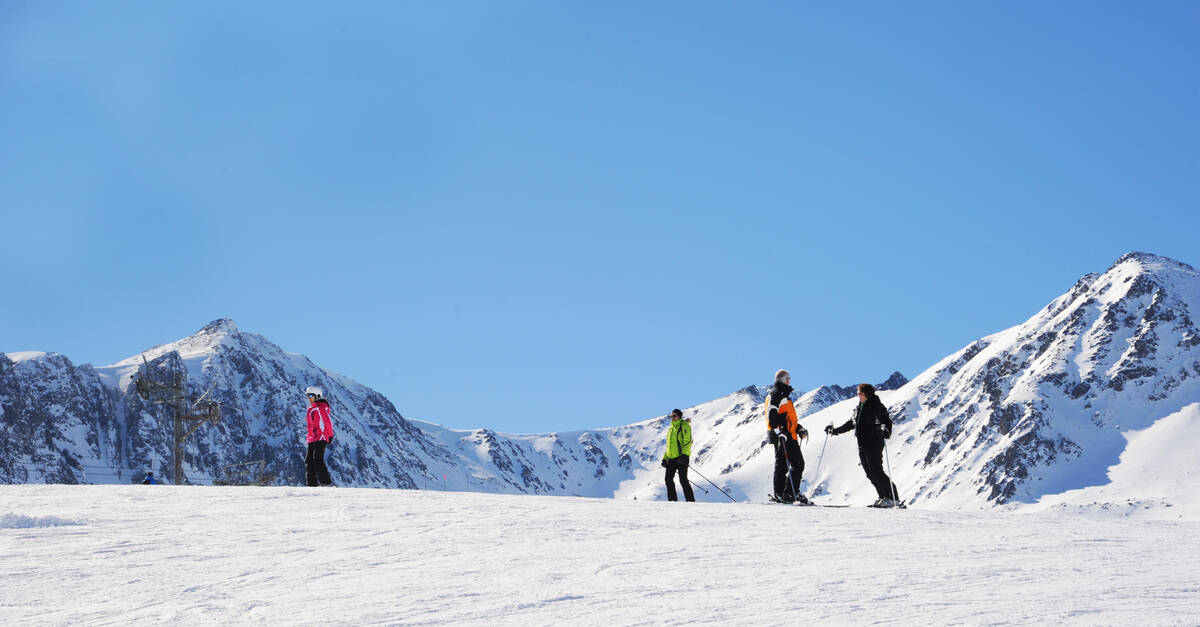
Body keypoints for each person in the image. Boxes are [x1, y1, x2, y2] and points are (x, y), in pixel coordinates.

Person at [826, 383, 900, 507]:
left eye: (859, 393)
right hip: (863, 444)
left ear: (866, 394)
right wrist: (835, 431)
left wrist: (886, 431)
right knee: (870, 473)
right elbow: (852, 423)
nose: (858, 395)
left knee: (876, 470)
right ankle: (883, 496)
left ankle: (892, 498)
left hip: (874, 442)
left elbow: (886, 421)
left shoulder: (876, 406)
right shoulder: (859, 407)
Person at [765, 369, 809, 503]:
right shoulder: (777, 394)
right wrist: (779, 431)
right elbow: (771, 415)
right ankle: (789, 493)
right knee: (797, 463)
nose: (790, 381)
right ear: (783, 380)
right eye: (788, 378)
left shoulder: (783, 394)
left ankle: (783, 493)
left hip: (787, 434)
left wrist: (799, 428)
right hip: (784, 436)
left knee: (783, 464)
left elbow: (787, 418)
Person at [661, 409, 695, 502]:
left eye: (674, 416)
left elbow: (687, 441)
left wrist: (684, 455)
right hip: (671, 458)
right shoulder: (671, 429)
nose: (672, 418)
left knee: (683, 480)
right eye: (671, 416)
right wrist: (665, 459)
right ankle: (672, 501)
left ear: (679, 416)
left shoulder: (684, 426)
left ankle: (691, 501)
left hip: (682, 457)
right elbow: (669, 446)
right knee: (668, 480)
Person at [305, 386, 335, 487]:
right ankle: (312, 484)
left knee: (318, 459)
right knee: (309, 460)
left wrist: (330, 435)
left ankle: (325, 483)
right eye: (308, 396)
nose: (309, 398)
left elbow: (328, 422)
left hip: (320, 437)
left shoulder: (321, 408)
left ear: (317, 396)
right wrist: (309, 437)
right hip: (312, 438)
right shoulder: (311, 409)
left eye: (311, 396)